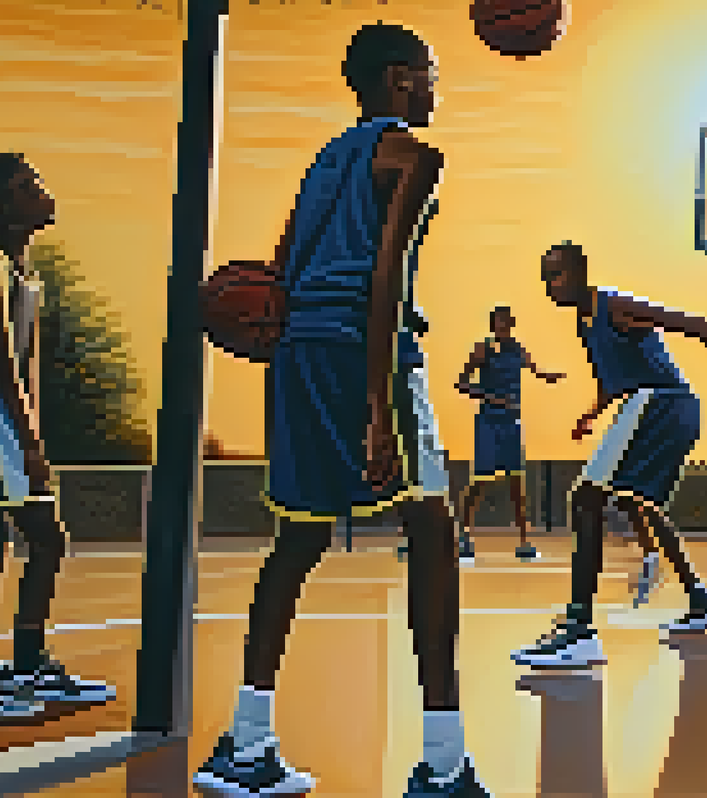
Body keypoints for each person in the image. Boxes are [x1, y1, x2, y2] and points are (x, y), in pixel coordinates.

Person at [193, 24, 488, 797]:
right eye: (427, 75)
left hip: (300, 349)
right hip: (367, 345)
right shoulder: (417, 159)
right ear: (398, 81)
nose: (434, 89)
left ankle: (246, 743)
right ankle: (443, 761)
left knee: (297, 539)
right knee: (432, 531)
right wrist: (381, 408)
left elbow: (282, 269)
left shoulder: (324, 160)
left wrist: (272, 336)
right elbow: (385, 275)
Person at [0, 153, 114, 719]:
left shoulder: (22, 272)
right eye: (26, 187)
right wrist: (29, 442)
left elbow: (23, 366)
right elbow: (1, 361)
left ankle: (24, 663)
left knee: (35, 537)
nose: (40, 192)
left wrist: (30, 430)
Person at [511, 242, 707, 669]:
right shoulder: (586, 326)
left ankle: (579, 631)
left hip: (663, 403)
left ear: (581, 272)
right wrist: (591, 414)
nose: (551, 286)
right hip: (649, 405)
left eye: (558, 275)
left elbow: (706, 328)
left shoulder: (615, 306)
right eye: (546, 278)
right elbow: (612, 382)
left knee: (586, 498)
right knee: (639, 504)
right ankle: (702, 601)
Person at [453, 305, 564, 562]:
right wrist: (491, 397)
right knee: (480, 479)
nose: (499, 326)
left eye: (503, 322)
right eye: (495, 322)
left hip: (512, 422)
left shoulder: (518, 350)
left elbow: (537, 370)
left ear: (511, 323)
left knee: (517, 481)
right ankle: (463, 535)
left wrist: (550, 376)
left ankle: (524, 541)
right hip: (488, 421)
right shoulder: (482, 349)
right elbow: (461, 383)